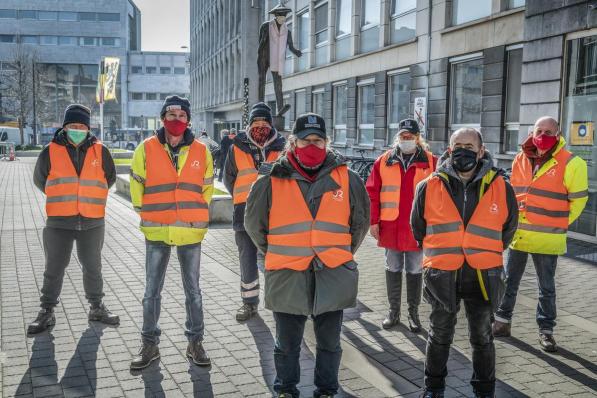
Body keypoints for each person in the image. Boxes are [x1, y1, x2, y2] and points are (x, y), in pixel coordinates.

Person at [245, 113, 370, 398]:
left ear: (327, 142)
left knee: (330, 343)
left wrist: (337, 252)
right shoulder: (270, 179)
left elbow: (360, 223)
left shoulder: (348, 179)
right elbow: (254, 225)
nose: (311, 145)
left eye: (318, 140)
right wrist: (277, 252)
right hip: (288, 274)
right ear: (293, 142)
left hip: (333, 273)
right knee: (286, 344)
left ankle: (326, 390)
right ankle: (286, 390)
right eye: (305, 140)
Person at [411, 128, 518, 398]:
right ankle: (433, 388)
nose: (462, 150)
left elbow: (508, 229)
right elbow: (418, 228)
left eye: (469, 146)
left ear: (481, 151)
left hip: (483, 275)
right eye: (457, 145)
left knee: (482, 337)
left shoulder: (501, 187)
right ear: (449, 149)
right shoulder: (429, 186)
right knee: (439, 336)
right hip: (442, 274)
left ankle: (484, 391)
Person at [129, 95, 214, 369]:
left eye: (181, 115)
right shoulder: (147, 148)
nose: (176, 120)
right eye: (171, 114)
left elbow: (207, 190)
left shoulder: (202, 150)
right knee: (152, 290)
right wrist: (147, 213)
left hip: (190, 230)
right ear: (163, 117)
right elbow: (136, 185)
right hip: (157, 230)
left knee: (194, 292)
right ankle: (149, 345)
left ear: (188, 119)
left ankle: (195, 343)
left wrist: (195, 214)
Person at [493, 116, 588, 352]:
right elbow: (514, 196)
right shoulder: (520, 159)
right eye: (539, 130)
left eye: (548, 131)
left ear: (558, 134)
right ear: (532, 132)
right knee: (509, 282)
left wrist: (559, 222)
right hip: (520, 235)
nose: (542, 135)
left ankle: (546, 331)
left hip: (548, 237)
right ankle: (502, 323)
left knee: (546, 287)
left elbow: (578, 201)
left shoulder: (572, 163)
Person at [29, 104, 119, 334]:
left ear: (88, 128)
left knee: (93, 267)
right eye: (72, 126)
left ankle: (97, 307)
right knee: (54, 268)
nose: (77, 129)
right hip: (59, 220)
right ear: (65, 127)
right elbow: (40, 180)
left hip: (92, 220)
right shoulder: (50, 150)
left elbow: (109, 178)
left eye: (81, 126)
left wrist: (88, 197)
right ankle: (46, 311)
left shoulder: (101, 151)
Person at [366, 119, 436, 332]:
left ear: (418, 138)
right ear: (398, 137)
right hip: (391, 226)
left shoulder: (432, 162)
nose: (406, 140)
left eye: (410, 136)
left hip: (417, 227)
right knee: (393, 268)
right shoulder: (383, 161)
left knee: (415, 269)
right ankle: (393, 312)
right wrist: (373, 221)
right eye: (403, 136)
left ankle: (413, 314)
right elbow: (373, 193)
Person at [224, 103, 285, 321]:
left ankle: (280, 302)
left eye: (265, 122)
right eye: (256, 122)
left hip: (276, 215)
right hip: (244, 213)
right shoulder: (237, 147)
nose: (261, 126)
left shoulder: (283, 147)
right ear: (249, 125)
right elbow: (228, 178)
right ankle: (249, 304)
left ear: (271, 124)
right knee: (247, 260)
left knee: (277, 260)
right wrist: (243, 200)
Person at [257, 4, 302, 114]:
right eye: (281, 17)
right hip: (264, 56)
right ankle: (261, 104)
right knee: (262, 80)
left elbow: (290, 46)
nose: (283, 19)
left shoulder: (287, 31)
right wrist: (263, 40)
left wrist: (296, 51)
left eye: (284, 17)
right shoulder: (266, 26)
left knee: (278, 83)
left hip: (277, 59)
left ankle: (280, 107)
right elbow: (260, 42)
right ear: (276, 17)